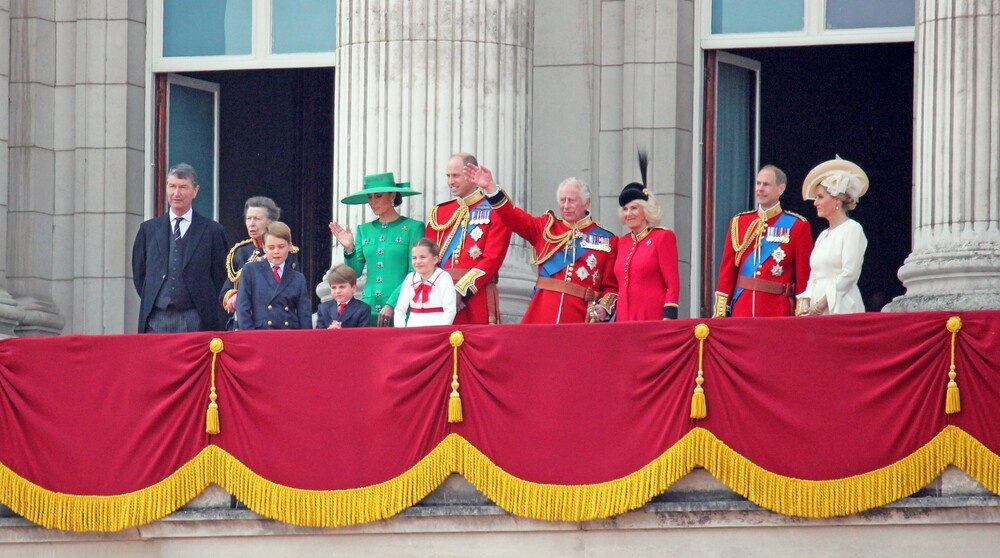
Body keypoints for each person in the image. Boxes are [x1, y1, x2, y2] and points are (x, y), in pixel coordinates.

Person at [470, 166, 618, 324]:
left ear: (586, 203)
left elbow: (611, 286)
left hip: (581, 317)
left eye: (572, 200)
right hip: (542, 313)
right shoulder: (546, 227)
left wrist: (604, 307)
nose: (566, 206)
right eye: (562, 200)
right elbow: (512, 216)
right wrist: (492, 189)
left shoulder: (607, 240)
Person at [132, 163, 228, 333]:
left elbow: (220, 276)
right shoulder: (148, 230)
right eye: (172, 186)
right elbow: (140, 274)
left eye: (183, 187)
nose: (176, 193)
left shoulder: (212, 231)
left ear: (195, 191)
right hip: (156, 319)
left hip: (196, 318)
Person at [713, 165, 813, 318]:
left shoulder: (798, 225)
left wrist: (801, 311)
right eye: (758, 183)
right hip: (742, 308)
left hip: (777, 310)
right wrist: (722, 310)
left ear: (781, 189)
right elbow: (727, 270)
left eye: (766, 184)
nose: (760, 188)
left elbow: (803, 274)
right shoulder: (739, 222)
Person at [426, 152, 512, 324]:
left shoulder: (496, 209)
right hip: (441, 296)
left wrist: (461, 291)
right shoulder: (440, 213)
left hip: (476, 296)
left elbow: (492, 259)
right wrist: (439, 291)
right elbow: (426, 256)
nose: (450, 181)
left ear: (472, 175)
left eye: (456, 176)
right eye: (448, 176)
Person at [329, 172, 424, 326]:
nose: (373, 202)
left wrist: (392, 303)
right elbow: (354, 273)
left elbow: (416, 271)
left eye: (378, 196)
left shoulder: (413, 227)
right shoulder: (363, 230)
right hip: (368, 308)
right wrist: (349, 248)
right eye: (370, 197)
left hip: (402, 305)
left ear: (392, 195)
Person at [798, 157, 870, 315]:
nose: (815, 203)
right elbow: (814, 274)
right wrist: (806, 301)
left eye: (820, 197)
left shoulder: (852, 229)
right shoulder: (823, 235)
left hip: (840, 306)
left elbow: (849, 274)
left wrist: (821, 305)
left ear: (837, 200)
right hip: (816, 310)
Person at [614, 154, 681, 321]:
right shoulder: (622, 243)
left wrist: (669, 317)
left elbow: (672, 282)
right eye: (625, 209)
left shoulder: (662, 237)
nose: (629, 214)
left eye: (634, 208)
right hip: (623, 319)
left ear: (646, 210)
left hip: (652, 317)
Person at [220, 196, 300, 330]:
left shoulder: (286, 253)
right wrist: (233, 296)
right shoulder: (240, 252)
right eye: (248, 218)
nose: (251, 223)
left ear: (271, 222)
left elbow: (291, 291)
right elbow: (225, 291)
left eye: (257, 219)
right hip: (242, 325)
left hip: (274, 325)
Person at [235, 221, 312, 329]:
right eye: (271, 247)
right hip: (261, 335)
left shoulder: (298, 278)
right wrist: (250, 337)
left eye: (281, 247)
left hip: (289, 335)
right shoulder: (250, 271)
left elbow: (304, 315)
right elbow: (242, 308)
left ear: (289, 246)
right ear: (264, 247)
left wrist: (304, 342)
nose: (276, 252)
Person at [394, 238, 457, 327]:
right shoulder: (410, 278)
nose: (418, 262)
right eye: (414, 258)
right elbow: (400, 309)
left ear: (435, 259)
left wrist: (440, 332)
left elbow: (450, 310)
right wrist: (401, 331)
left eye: (422, 257)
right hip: (413, 329)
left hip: (436, 329)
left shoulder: (444, 277)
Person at [316, 264, 371, 329]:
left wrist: (342, 332)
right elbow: (318, 334)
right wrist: (329, 332)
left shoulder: (363, 309)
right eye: (333, 287)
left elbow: (363, 335)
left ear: (353, 288)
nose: (337, 291)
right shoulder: (323, 308)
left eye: (342, 287)